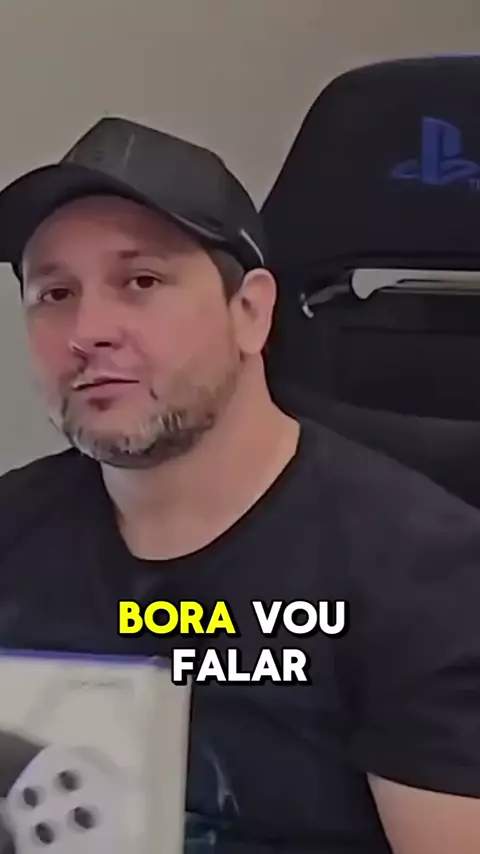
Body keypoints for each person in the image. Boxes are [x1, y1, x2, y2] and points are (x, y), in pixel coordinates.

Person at [0, 117, 479, 854]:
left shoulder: (425, 571)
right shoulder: (13, 532)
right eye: (54, 292)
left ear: (250, 312)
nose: (87, 330)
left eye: (141, 281)